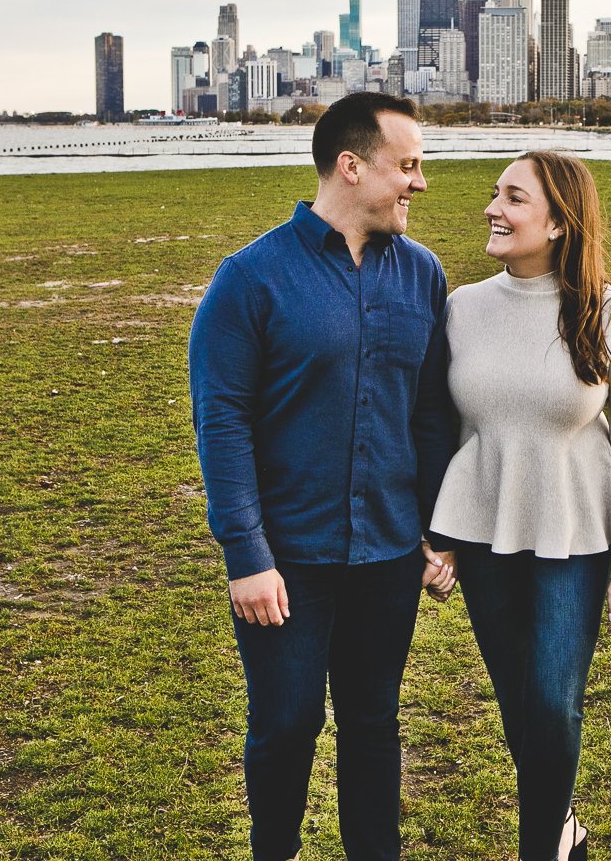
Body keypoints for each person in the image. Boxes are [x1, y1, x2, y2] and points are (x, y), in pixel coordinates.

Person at [188, 92, 457, 861]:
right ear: (350, 166)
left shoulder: (423, 276)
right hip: (287, 562)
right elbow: (223, 423)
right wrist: (247, 556)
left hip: (388, 555)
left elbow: (431, 415)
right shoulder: (250, 279)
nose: (421, 184)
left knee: (373, 722)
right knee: (287, 724)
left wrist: (439, 533)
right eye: (407, 166)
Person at [429, 151, 611, 861]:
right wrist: (438, 539)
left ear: (558, 221)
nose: (493, 209)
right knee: (519, 704)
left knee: (555, 703)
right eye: (494, 194)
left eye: (514, 199)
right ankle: (561, 827)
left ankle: (544, 849)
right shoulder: (461, 307)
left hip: (576, 533)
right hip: (483, 529)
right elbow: (450, 430)